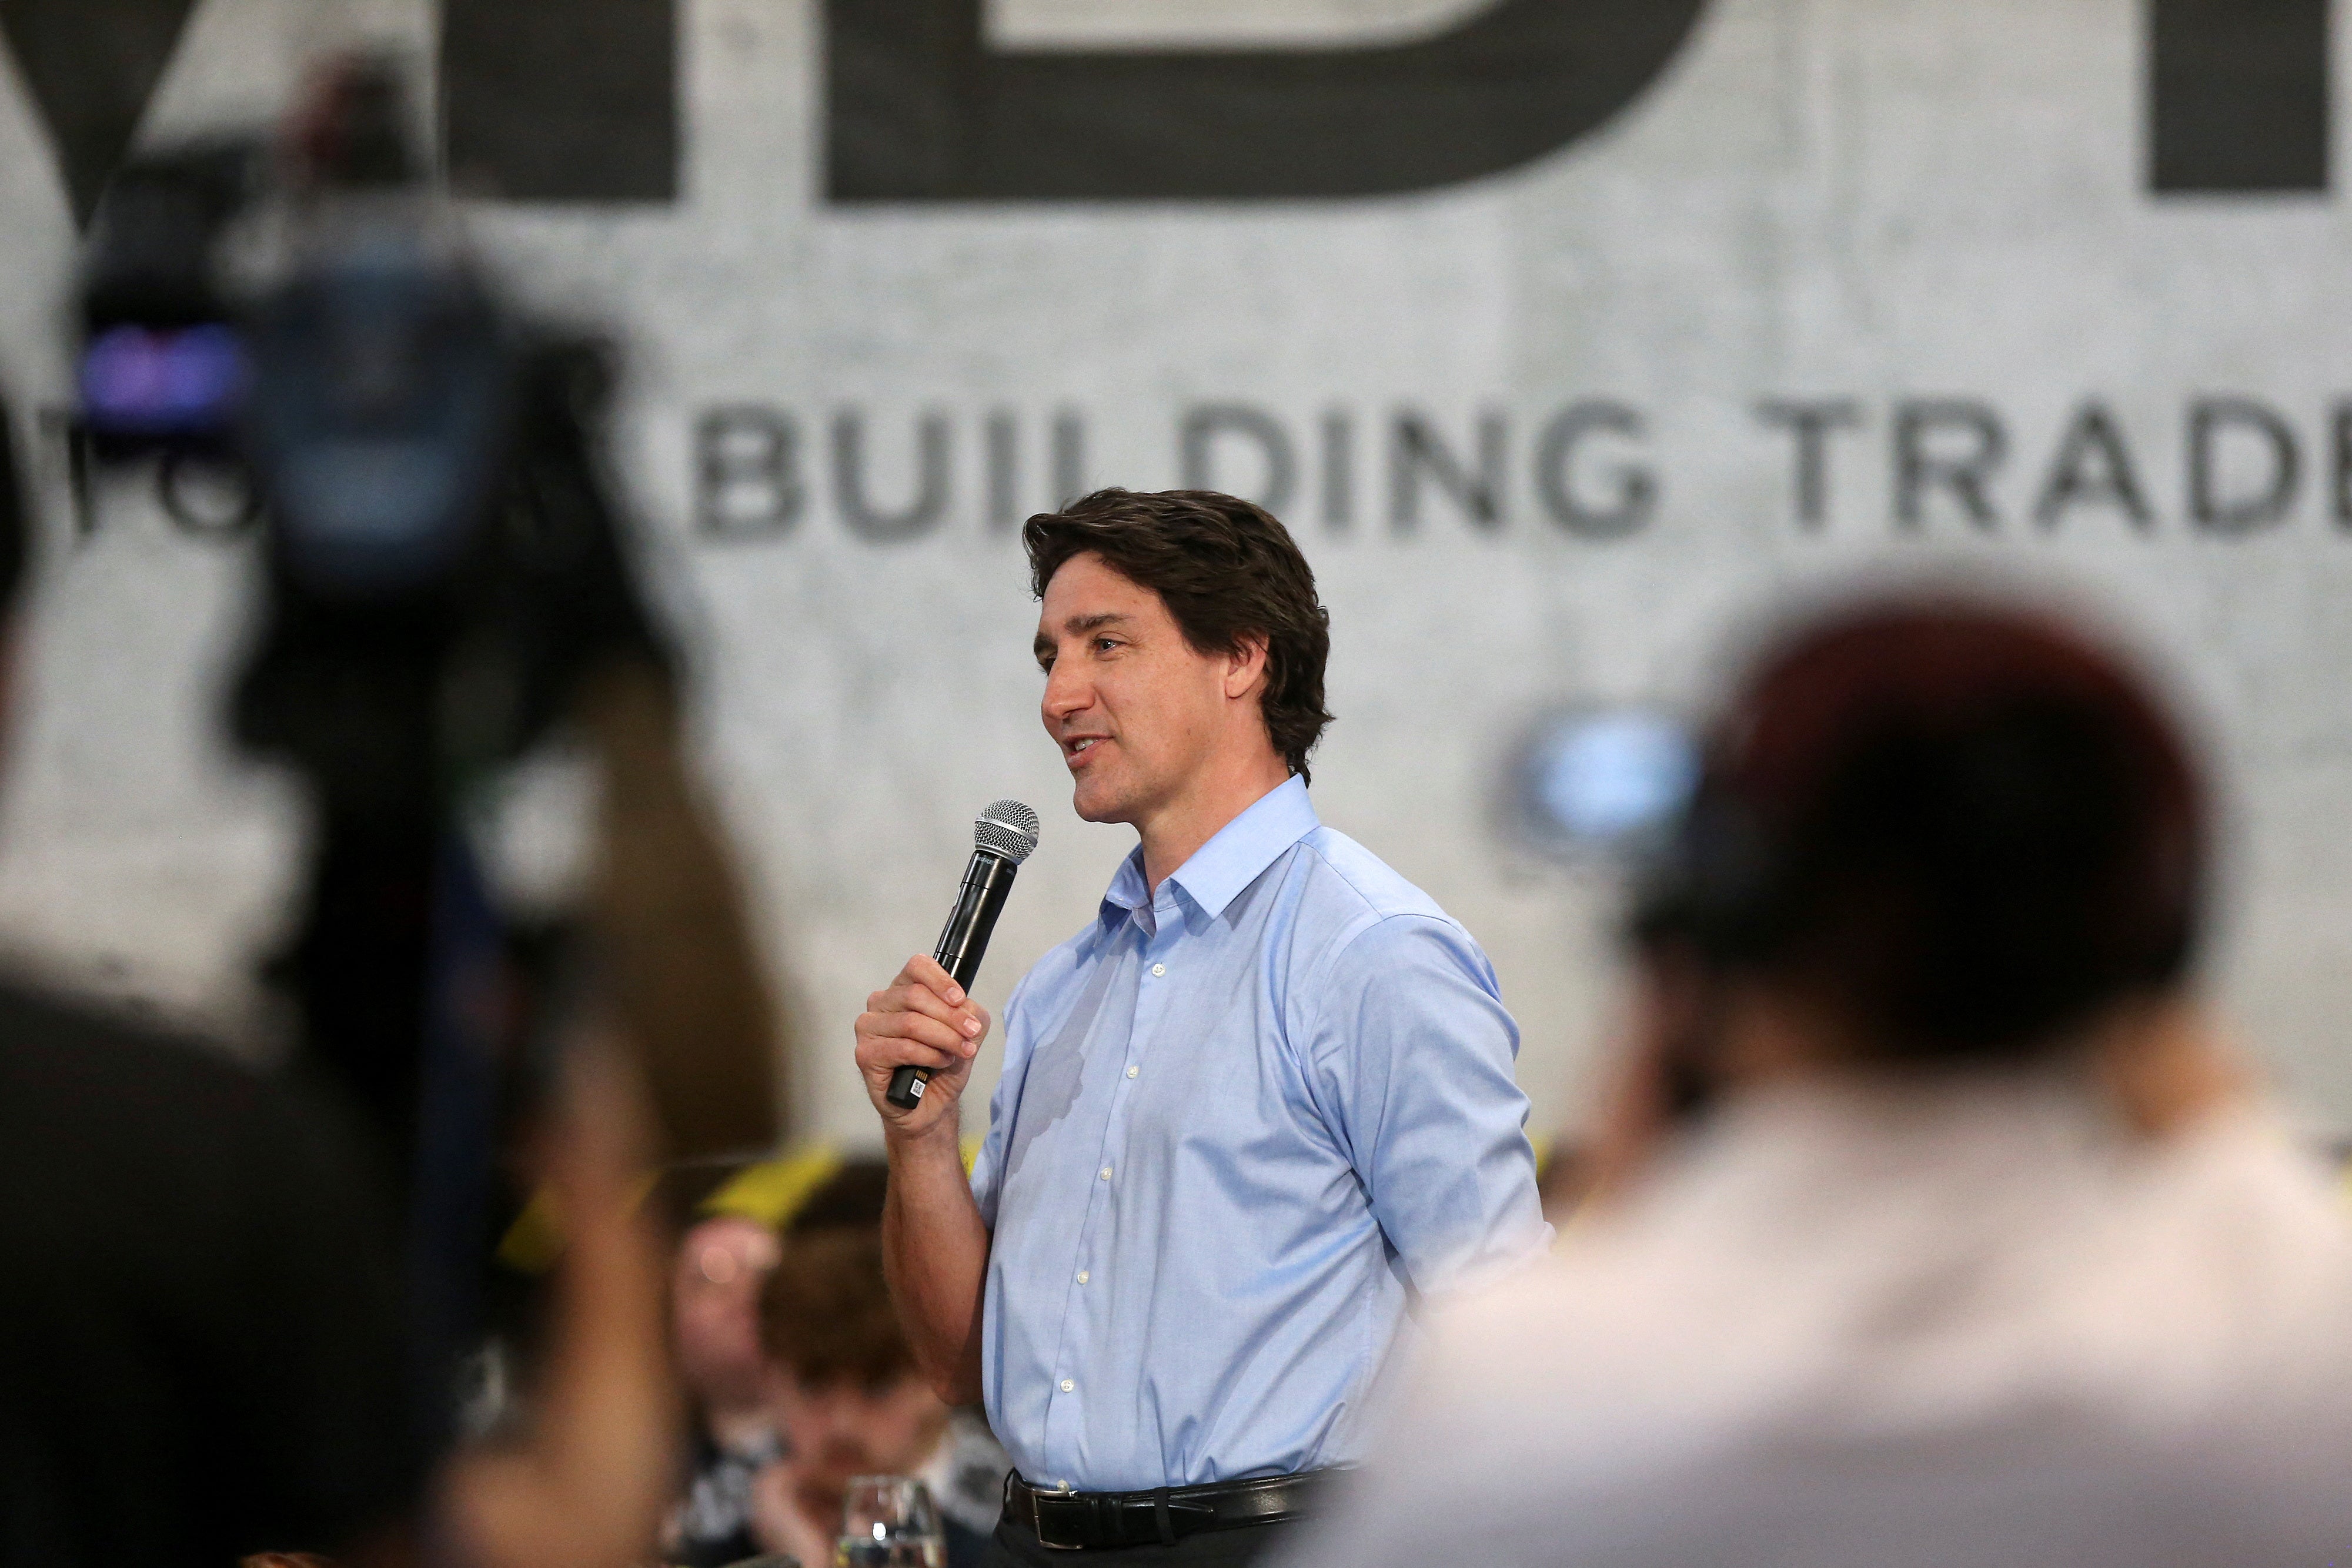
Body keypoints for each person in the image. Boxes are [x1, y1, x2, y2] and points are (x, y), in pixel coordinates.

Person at [1279, 596, 2352, 1568]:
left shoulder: (1529, 1390)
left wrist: (1658, 1050)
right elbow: (2231, 1140)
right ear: (2143, 956)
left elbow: (1556, 1322)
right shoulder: (2291, 1340)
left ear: (1721, 931)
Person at [853, 489, 1552, 1564]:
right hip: (1030, 1539)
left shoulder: (1372, 953)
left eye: (1106, 644)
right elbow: (962, 1371)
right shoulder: (1060, 989)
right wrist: (917, 1141)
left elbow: (1504, 1330)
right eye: (1048, 655)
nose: (1059, 695)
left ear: (1242, 659)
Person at [746, 1162, 1008, 1568]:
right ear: (768, 1378)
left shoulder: (1015, 1521)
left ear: (936, 1379)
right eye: (813, 1387)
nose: (842, 1424)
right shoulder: (716, 1514)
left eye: (878, 1387)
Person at [664, 1215, 787, 1567]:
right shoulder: (627, 1464)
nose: (743, 1296)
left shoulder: (851, 1448)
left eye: (764, 1277)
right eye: (710, 1280)